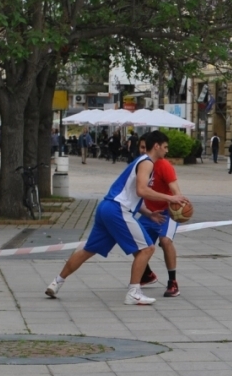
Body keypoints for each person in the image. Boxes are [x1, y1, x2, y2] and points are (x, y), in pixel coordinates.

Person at [45, 131, 188, 306]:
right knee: (147, 249)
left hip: (106, 207)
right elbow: (141, 191)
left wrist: (149, 214)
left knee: (88, 250)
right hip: (118, 210)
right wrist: (170, 198)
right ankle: (134, 292)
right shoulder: (147, 163)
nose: (167, 151)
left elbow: (131, 193)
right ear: (156, 146)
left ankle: (56, 282)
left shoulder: (138, 162)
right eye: (165, 147)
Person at [136, 134, 187, 299]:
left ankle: (173, 282)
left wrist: (179, 208)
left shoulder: (164, 165)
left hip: (166, 212)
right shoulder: (140, 166)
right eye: (141, 148)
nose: (144, 151)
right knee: (134, 243)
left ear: (153, 147)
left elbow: (176, 191)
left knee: (165, 241)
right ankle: (148, 274)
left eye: (146, 147)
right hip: (148, 213)